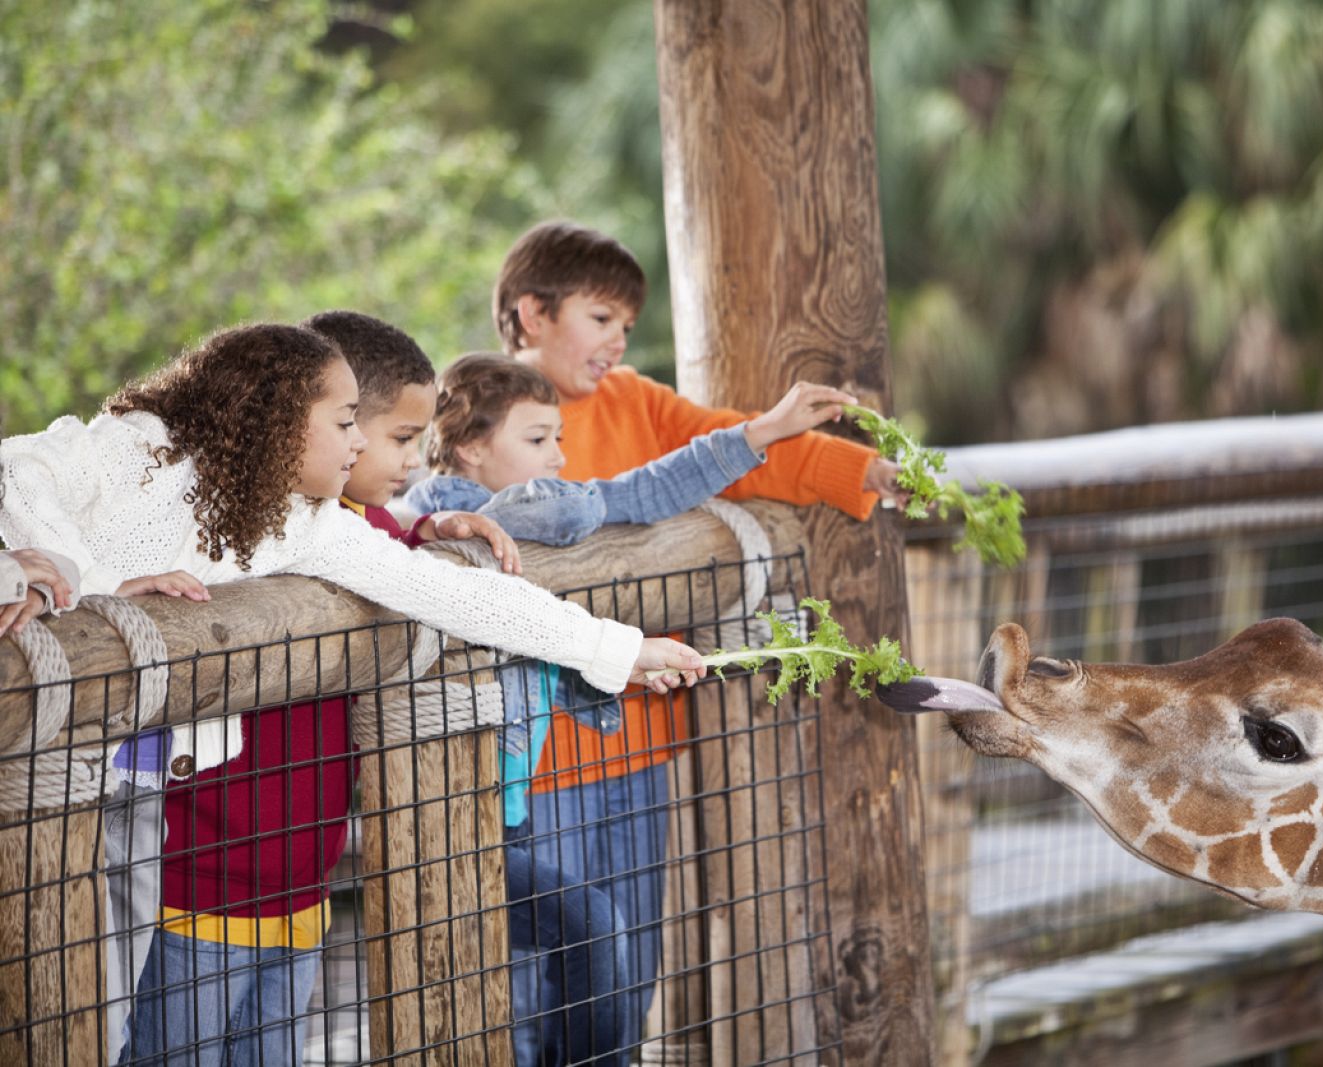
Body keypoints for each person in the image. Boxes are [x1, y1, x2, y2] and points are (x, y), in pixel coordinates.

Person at [0, 321, 703, 1065]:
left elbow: (451, 593)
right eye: (343, 423)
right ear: (277, 415)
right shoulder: (137, 444)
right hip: (67, 800)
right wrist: (77, 579)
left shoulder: (306, 523)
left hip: (147, 811)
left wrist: (618, 648)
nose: (357, 446)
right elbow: (14, 471)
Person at [490, 220, 904, 1051]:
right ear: (532, 313)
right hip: (536, 761)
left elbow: (741, 450)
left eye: (625, 327)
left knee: (629, 966)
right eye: (600, 318)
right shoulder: (481, 410)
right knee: (537, 977)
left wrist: (864, 471)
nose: (616, 342)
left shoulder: (638, 402)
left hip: (642, 746)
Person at [404, 353, 856, 1064]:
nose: (559, 455)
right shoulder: (526, 509)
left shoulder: (424, 518)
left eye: (558, 437)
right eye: (537, 439)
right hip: (482, 810)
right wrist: (762, 430)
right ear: (469, 447)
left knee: (532, 970)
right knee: (578, 947)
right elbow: (640, 492)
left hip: (494, 804)